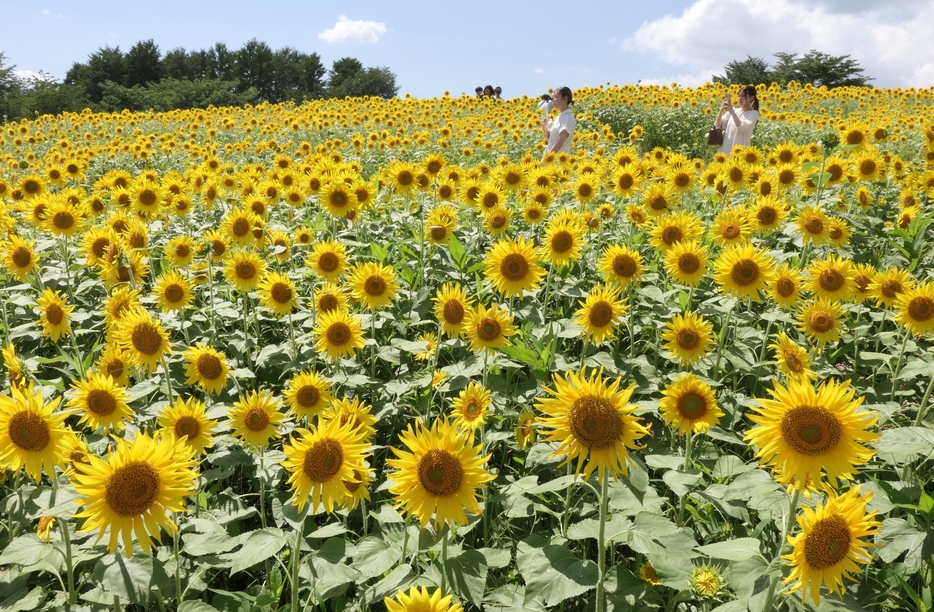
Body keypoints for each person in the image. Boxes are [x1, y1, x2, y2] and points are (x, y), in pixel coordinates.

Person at [715, 85, 759, 155]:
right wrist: (722, 110)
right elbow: (718, 125)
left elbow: (742, 128)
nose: (740, 98)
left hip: (740, 153)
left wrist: (732, 112)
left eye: (743, 96)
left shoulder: (754, 113)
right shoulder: (734, 110)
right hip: (725, 151)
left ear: (752, 98)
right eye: (739, 96)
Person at [541, 86, 575, 155]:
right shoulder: (559, 117)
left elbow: (559, 144)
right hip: (552, 158)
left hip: (560, 160)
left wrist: (547, 159)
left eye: (556, 97)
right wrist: (544, 127)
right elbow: (550, 141)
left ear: (565, 99)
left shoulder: (568, 118)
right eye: (553, 97)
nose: (553, 99)